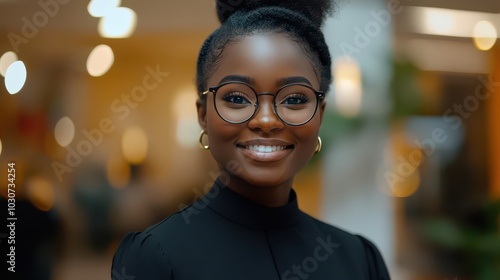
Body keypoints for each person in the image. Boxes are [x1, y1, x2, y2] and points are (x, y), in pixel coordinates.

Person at [111, 0, 391, 279]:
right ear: (203, 115)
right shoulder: (156, 257)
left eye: (294, 99)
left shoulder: (358, 259)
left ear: (320, 115)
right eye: (237, 98)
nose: (266, 120)